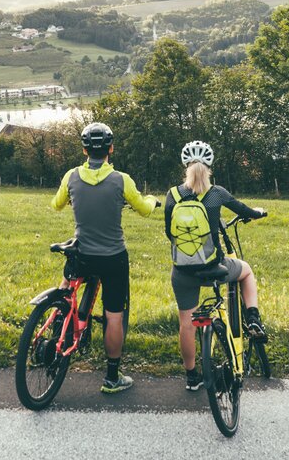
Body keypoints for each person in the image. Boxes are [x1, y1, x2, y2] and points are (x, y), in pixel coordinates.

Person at [51, 121, 158, 394]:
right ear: (111, 148)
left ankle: (55, 333)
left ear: (85, 149)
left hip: (82, 253)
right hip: (112, 258)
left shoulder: (71, 176)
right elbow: (145, 210)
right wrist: (152, 200)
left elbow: (56, 204)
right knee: (113, 315)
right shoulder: (122, 180)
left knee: (66, 289)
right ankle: (112, 377)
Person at [165, 140, 267, 391]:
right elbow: (245, 210)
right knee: (245, 271)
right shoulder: (217, 193)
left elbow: (170, 233)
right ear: (210, 166)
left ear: (185, 165)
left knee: (186, 323)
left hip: (183, 271)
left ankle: (191, 377)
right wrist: (259, 212)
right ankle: (252, 317)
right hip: (214, 267)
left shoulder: (173, 194)